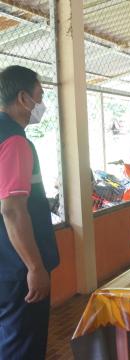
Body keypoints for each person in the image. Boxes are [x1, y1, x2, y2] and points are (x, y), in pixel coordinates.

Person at [0, 65, 59, 359]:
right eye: (40, 96)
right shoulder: (15, 142)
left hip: (4, 265)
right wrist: (35, 268)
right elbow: (12, 210)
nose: (41, 104)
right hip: (18, 270)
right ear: (24, 98)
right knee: (22, 345)